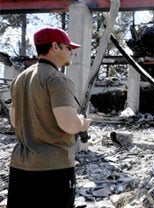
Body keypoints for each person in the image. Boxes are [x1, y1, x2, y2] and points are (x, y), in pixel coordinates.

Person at [7, 27, 91, 208]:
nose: (72, 52)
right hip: (53, 170)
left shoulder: (20, 79)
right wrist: (82, 123)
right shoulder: (57, 79)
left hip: (20, 167)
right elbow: (69, 124)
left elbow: (15, 121)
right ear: (55, 46)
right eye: (69, 47)